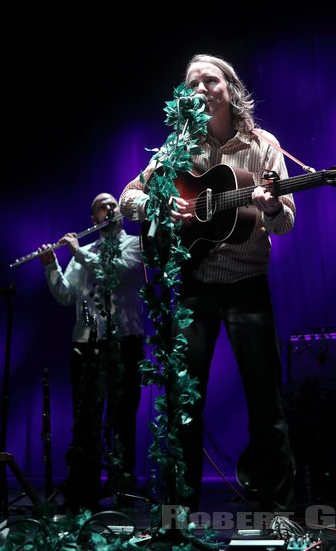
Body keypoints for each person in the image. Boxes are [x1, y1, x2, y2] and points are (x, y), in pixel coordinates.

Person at [119, 54, 296, 513]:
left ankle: (277, 512)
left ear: (231, 89)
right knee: (183, 402)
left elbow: (286, 221)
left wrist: (271, 206)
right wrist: (160, 206)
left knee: (264, 399)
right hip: (197, 284)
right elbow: (127, 198)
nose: (200, 88)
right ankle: (179, 515)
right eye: (192, 82)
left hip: (247, 282)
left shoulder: (262, 145)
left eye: (210, 80)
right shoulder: (179, 149)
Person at [39, 192, 145, 513]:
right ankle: (84, 492)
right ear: (94, 218)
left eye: (113, 205)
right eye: (103, 206)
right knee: (86, 419)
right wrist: (51, 265)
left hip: (125, 341)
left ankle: (122, 491)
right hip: (86, 343)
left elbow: (116, 271)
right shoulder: (82, 251)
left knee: (123, 416)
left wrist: (78, 254)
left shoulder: (135, 245)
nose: (110, 208)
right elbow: (66, 295)